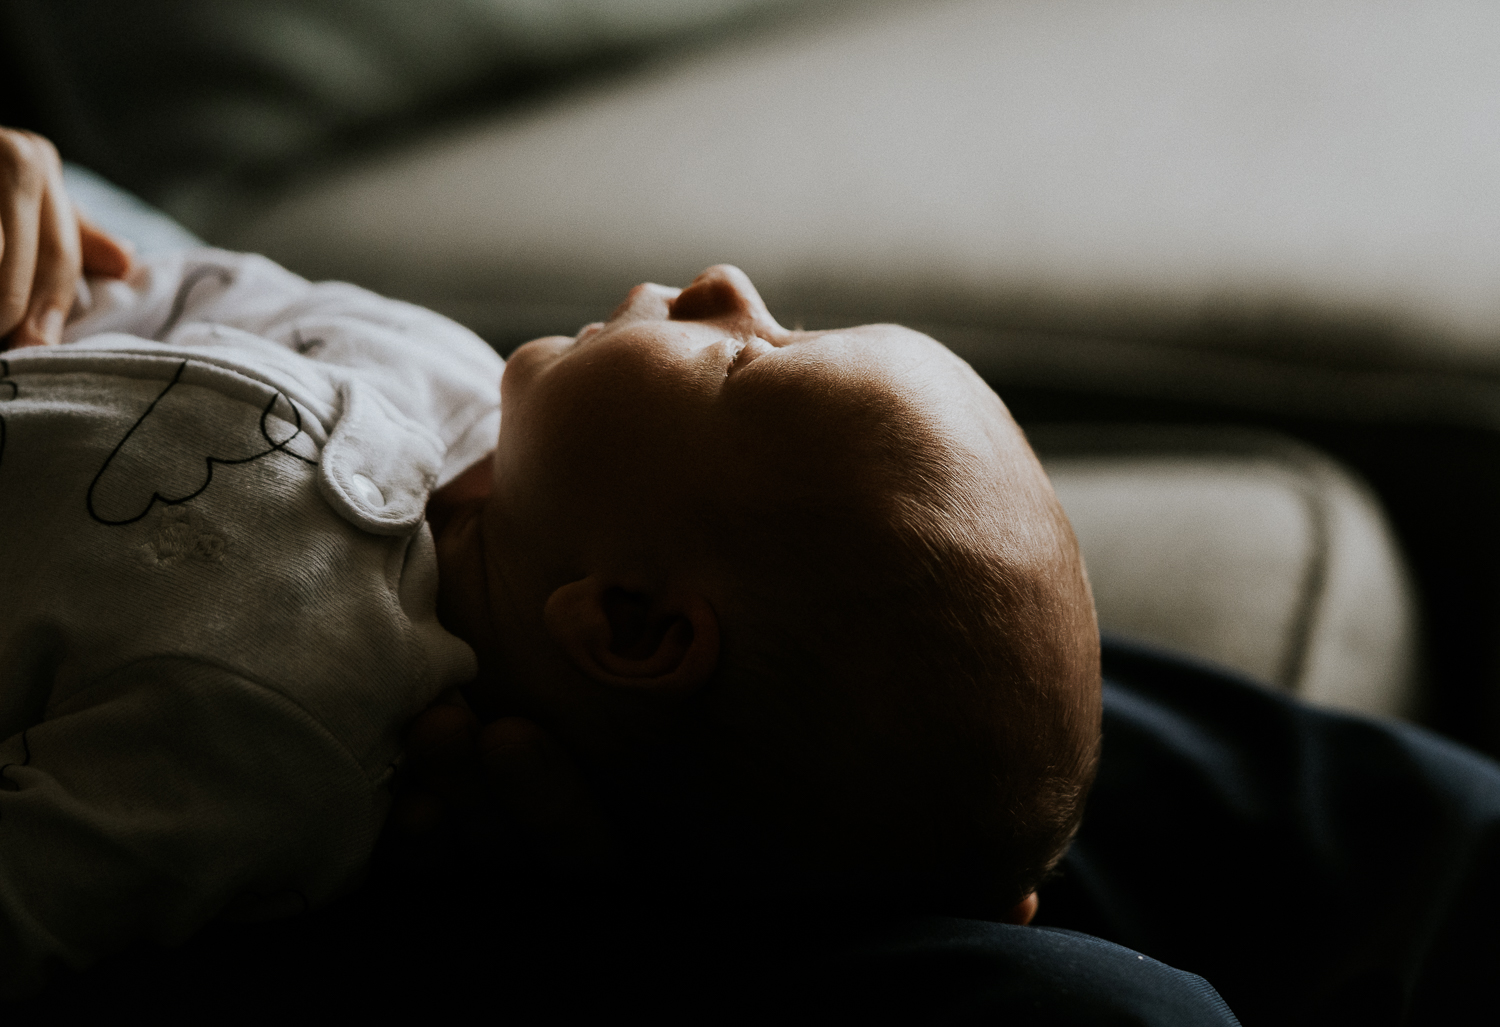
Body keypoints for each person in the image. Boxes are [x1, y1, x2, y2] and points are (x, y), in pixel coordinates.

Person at [0, 126, 1101, 995]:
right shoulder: (443, 371)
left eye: (747, 365)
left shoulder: (273, 738)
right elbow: (146, 271)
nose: (727, 284)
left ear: (629, 621)